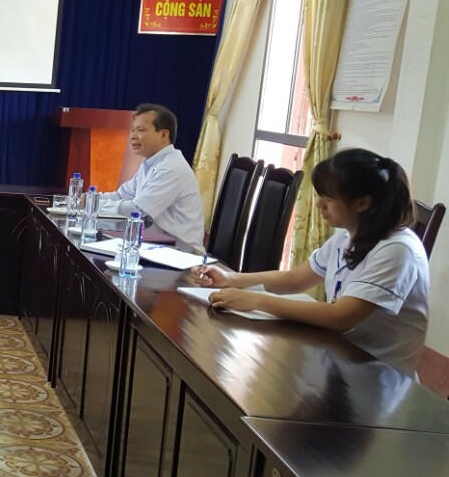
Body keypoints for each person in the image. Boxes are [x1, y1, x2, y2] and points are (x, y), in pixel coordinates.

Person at [194, 149, 429, 379]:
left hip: (378, 376)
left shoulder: (398, 250)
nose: (319, 205)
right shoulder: (348, 235)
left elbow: (340, 317)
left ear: (362, 203)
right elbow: (295, 279)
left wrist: (256, 300)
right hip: (339, 358)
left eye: (328, 199)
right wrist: (231, 278)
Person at [104, 104, 204, 248]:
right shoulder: (150, 163)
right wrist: (88, 200)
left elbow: (137, 211)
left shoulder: (171, 168)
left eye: (141, 130)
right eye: (132, 130)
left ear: (164, 135)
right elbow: (121, 195)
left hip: (179, 252)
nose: (133, 136)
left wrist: (93, 207)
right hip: (156, 243)